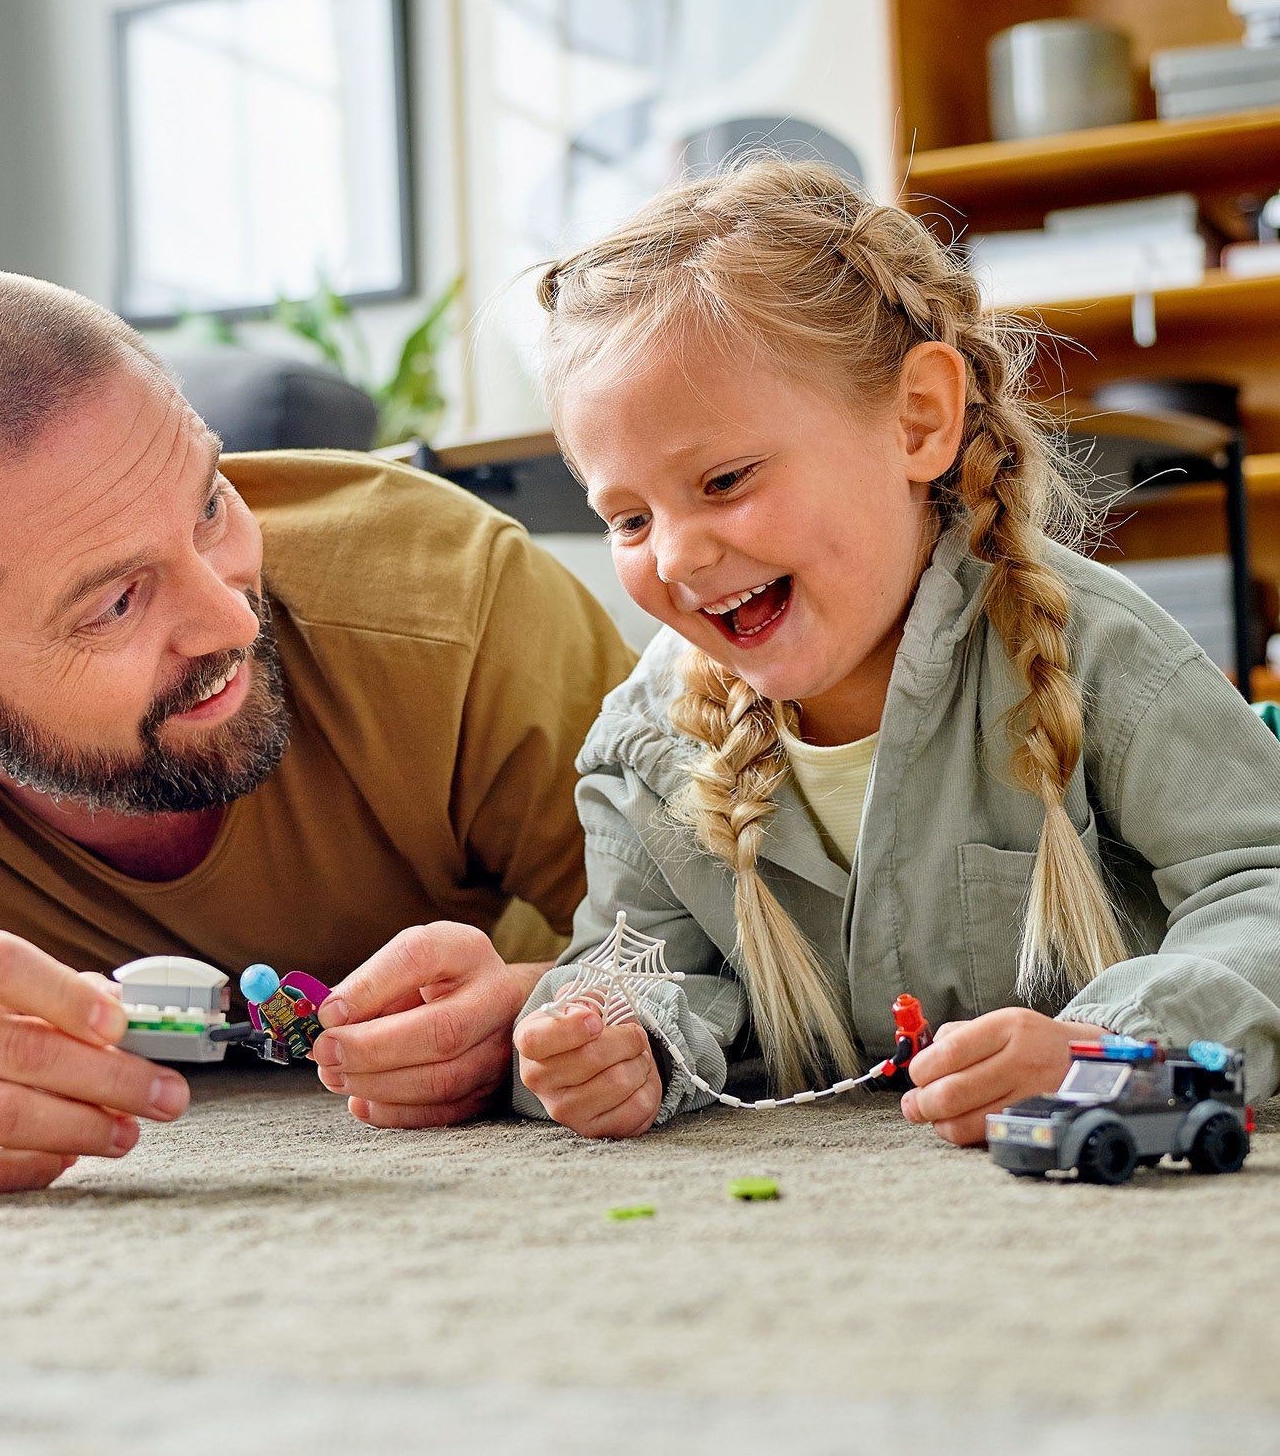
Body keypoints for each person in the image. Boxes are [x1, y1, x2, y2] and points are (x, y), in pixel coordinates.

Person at [0, 265, 635, 1196]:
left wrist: (549, 1000)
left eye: (208, 504)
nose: (231, 622)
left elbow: (755, 942)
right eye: (115, 602)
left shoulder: (456, 604)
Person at [510, 159, 1280, 1143]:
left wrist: (1116, 1044)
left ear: (919, 420)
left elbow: (1264, 883)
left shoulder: (1103, 651)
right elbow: (629, 965)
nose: (677, 552)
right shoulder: (644, 751)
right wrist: (609, 1042)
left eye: (726, 479)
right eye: (625, 518)